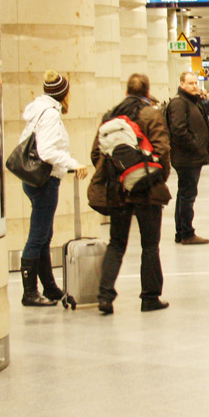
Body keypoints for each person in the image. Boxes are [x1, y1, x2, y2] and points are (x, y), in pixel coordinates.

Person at [88, 74, 171, 314]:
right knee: (149, 245)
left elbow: (97, 153)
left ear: (126, 91)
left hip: (117, 189)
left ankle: (105, 296)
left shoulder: (110, 116)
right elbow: (162, 150)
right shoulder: (151, 114)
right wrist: (154, 178)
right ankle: (150, 297)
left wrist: (118, 174)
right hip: (146, 189)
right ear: (147, 92)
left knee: (117, 243)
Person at [17, 70, 88, 307]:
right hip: (45, 181)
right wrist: (73, 163)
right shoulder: (50, 115)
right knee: (38, 236)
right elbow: (46, 151)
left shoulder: (38, 110)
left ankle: (50, 287)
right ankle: (30, 292)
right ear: (63, 94)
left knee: (44, 235)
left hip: (35, 181)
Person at [165, 71, 209, 244]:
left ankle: (181, 232)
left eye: (195, 83)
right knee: (188, 195)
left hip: (191, 157)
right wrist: (195, 148)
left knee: (184, 194)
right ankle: (187, 233)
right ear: (182, 84)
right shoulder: (179, 103)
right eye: (190, 83)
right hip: (187, 158)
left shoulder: (192, 102)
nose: (194, 86)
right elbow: (178, 130)